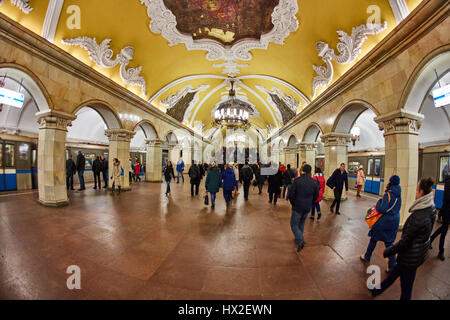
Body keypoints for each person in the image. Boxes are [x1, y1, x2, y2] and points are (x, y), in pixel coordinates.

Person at [370, 178, 436, 300]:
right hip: (417, 254)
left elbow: (405, 241)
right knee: (395, 273)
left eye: (416, 191)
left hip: (410, 257)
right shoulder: (431, 208)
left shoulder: (418, 216)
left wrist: (389, 251)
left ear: (421, 193)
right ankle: (376, 290)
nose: (415, 193)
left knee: (406, 289)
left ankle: (377, 290)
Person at [360, 175, 402, 272]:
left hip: (384, 221)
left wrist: (379, 202)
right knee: (389, 243)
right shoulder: (399, 195)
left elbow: (382, 209)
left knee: (374, 239)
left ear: (390, 182)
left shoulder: (389, 194)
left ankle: (367, 256)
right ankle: (392, 264)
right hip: (394, 221)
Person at [288, 164, 319, 252]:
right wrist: (310, 203)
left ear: (303, 171)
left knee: (293, 224)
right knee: (301, 223)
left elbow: (291, 194)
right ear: (310, 172)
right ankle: (299, 239)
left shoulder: (297, 181)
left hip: (297, 206)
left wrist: (293, 203)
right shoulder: (314, 182)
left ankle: (300, 240)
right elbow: (316, 196)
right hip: (307, 207)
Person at [430, 173, 449, 261]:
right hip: (447, 210)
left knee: (443, 229)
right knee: (444, 230)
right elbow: (447, 199)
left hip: (446, 210)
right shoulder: (448, 182)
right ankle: (441, 251)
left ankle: (430, 240)